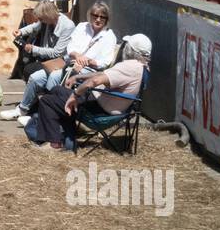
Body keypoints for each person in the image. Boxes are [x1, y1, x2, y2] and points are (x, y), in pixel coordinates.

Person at [24, 34, 152, 150]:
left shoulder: (128, 67)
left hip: (98, 109)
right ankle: (68, 138)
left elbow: (95, 81)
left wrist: (75, 95)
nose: (124, 48)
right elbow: (103, 74)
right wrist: (77, 77)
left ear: (130, 50)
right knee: (57, 89)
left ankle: (55, 143)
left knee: (47, 101)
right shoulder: (141, 67)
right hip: (103, 104)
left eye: (126, 45)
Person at [1, 0, 117, 120]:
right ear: (90, 15)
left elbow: (105, 62)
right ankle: (22, 109)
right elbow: (70, 47)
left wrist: (87, 61)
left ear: (107, 19)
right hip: (68, 63)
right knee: (35, 77)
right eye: (95, 15)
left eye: (102, 17)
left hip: (88, 69)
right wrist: (77, 56)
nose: (98, 19)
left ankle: (44, 116)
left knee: (54, 77)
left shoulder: (109, 37)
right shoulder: (82, 27)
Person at [10, 0, 75, 80]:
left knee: (30, 70)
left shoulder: (67, 26)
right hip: (47, 58)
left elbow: (57, 53)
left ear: (48, 15)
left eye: (41, 19)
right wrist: (21, 31)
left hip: (60, 61)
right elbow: (35, 26)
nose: (40, 21)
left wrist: (33, 49)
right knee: (27, 68)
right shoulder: (47, 21)